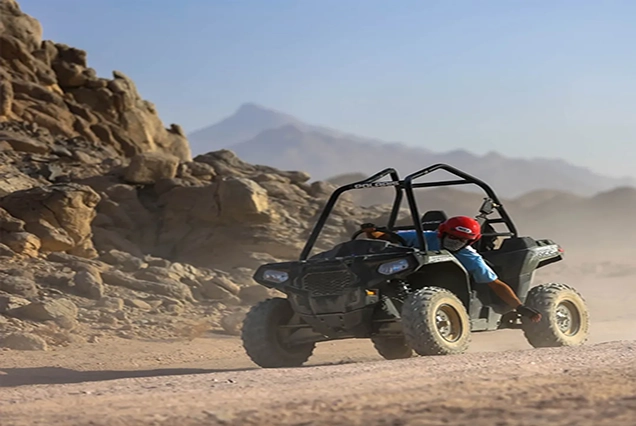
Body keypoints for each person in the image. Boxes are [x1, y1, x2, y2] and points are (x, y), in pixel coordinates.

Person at [366, 216, 542, 323]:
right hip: (416, 279)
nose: (455, 242)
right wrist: (372, 232)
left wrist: (519, 307)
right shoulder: (425, 237)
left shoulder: (470, 256)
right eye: (452, 237)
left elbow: (495, 284)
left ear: (470, 241)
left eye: (462, 240)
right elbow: (387, 237)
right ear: (442, 232)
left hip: (454, 289)